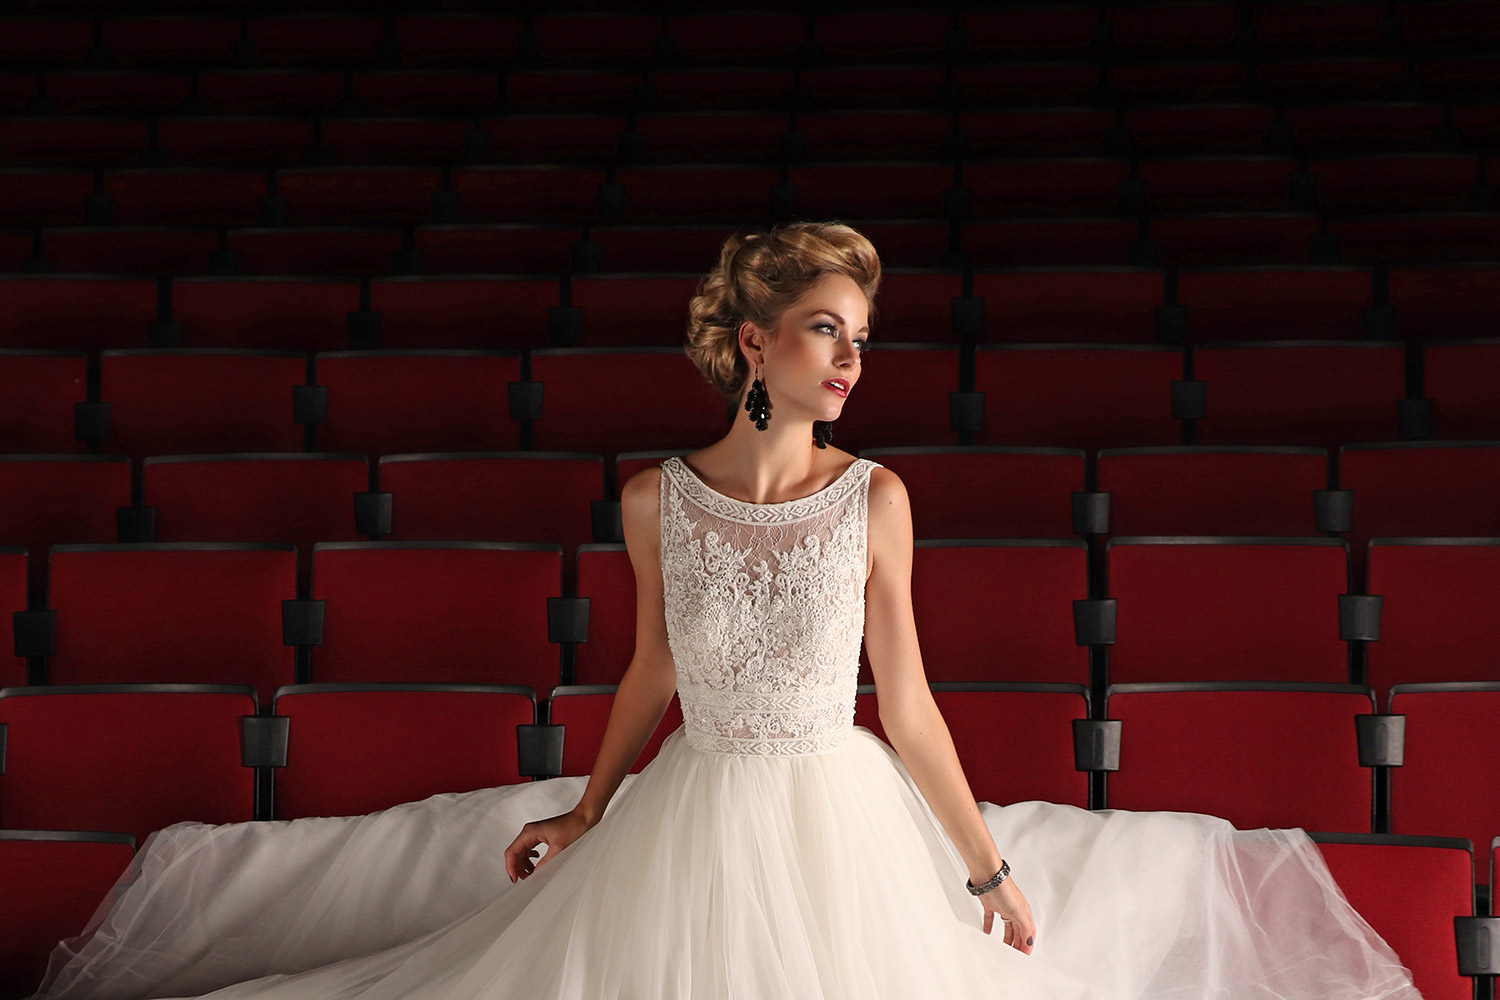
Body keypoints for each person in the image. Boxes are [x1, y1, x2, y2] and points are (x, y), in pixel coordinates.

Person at [31, 222, 1421, 1000]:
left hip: (837, 801)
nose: (852, 361)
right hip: (695, 793)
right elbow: (651, 670)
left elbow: (912, 702)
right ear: (755, 339)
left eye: (863, 338)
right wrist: (586, 812)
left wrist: (987, 872)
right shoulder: (654, 502)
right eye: (829, 329)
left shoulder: (876, 497)